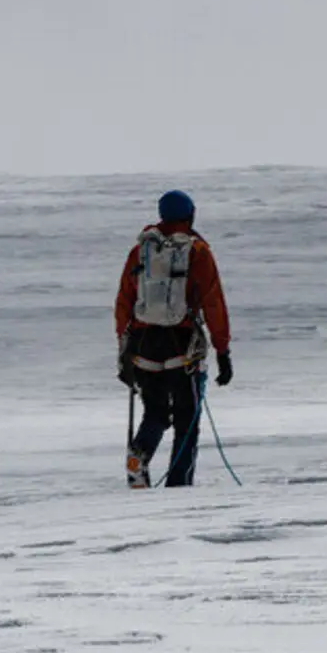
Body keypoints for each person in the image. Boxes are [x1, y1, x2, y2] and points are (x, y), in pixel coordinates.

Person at [115, 190, 233, 489]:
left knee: (154, 411)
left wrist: (124, 350)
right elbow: (214, 303)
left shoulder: (140, 251)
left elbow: (123, 302)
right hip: (182, 346)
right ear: (190, 214)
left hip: (144, 345)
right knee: (187, 420)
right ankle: (179, 486)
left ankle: (139, 454)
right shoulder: (198, 252)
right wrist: (222, 351)